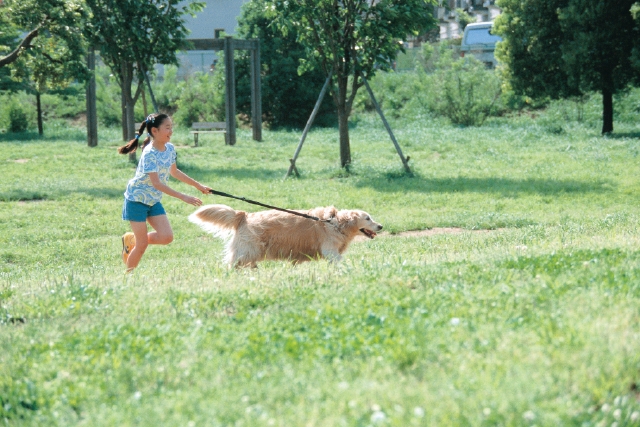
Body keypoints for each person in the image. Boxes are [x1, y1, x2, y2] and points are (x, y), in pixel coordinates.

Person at [118, 113, 211, 273]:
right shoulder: (149, 153)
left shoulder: (170, 148)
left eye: (171, 127)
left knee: (166, 237)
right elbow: (157, 183)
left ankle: (131, 239)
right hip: (136, 200)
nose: (171, 131)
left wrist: (198, 185)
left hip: (153, 201)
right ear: (155, 131)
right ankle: (128, 276)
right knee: (142, 245)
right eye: (167, 127)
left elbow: (174, 172)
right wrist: (183, 196)